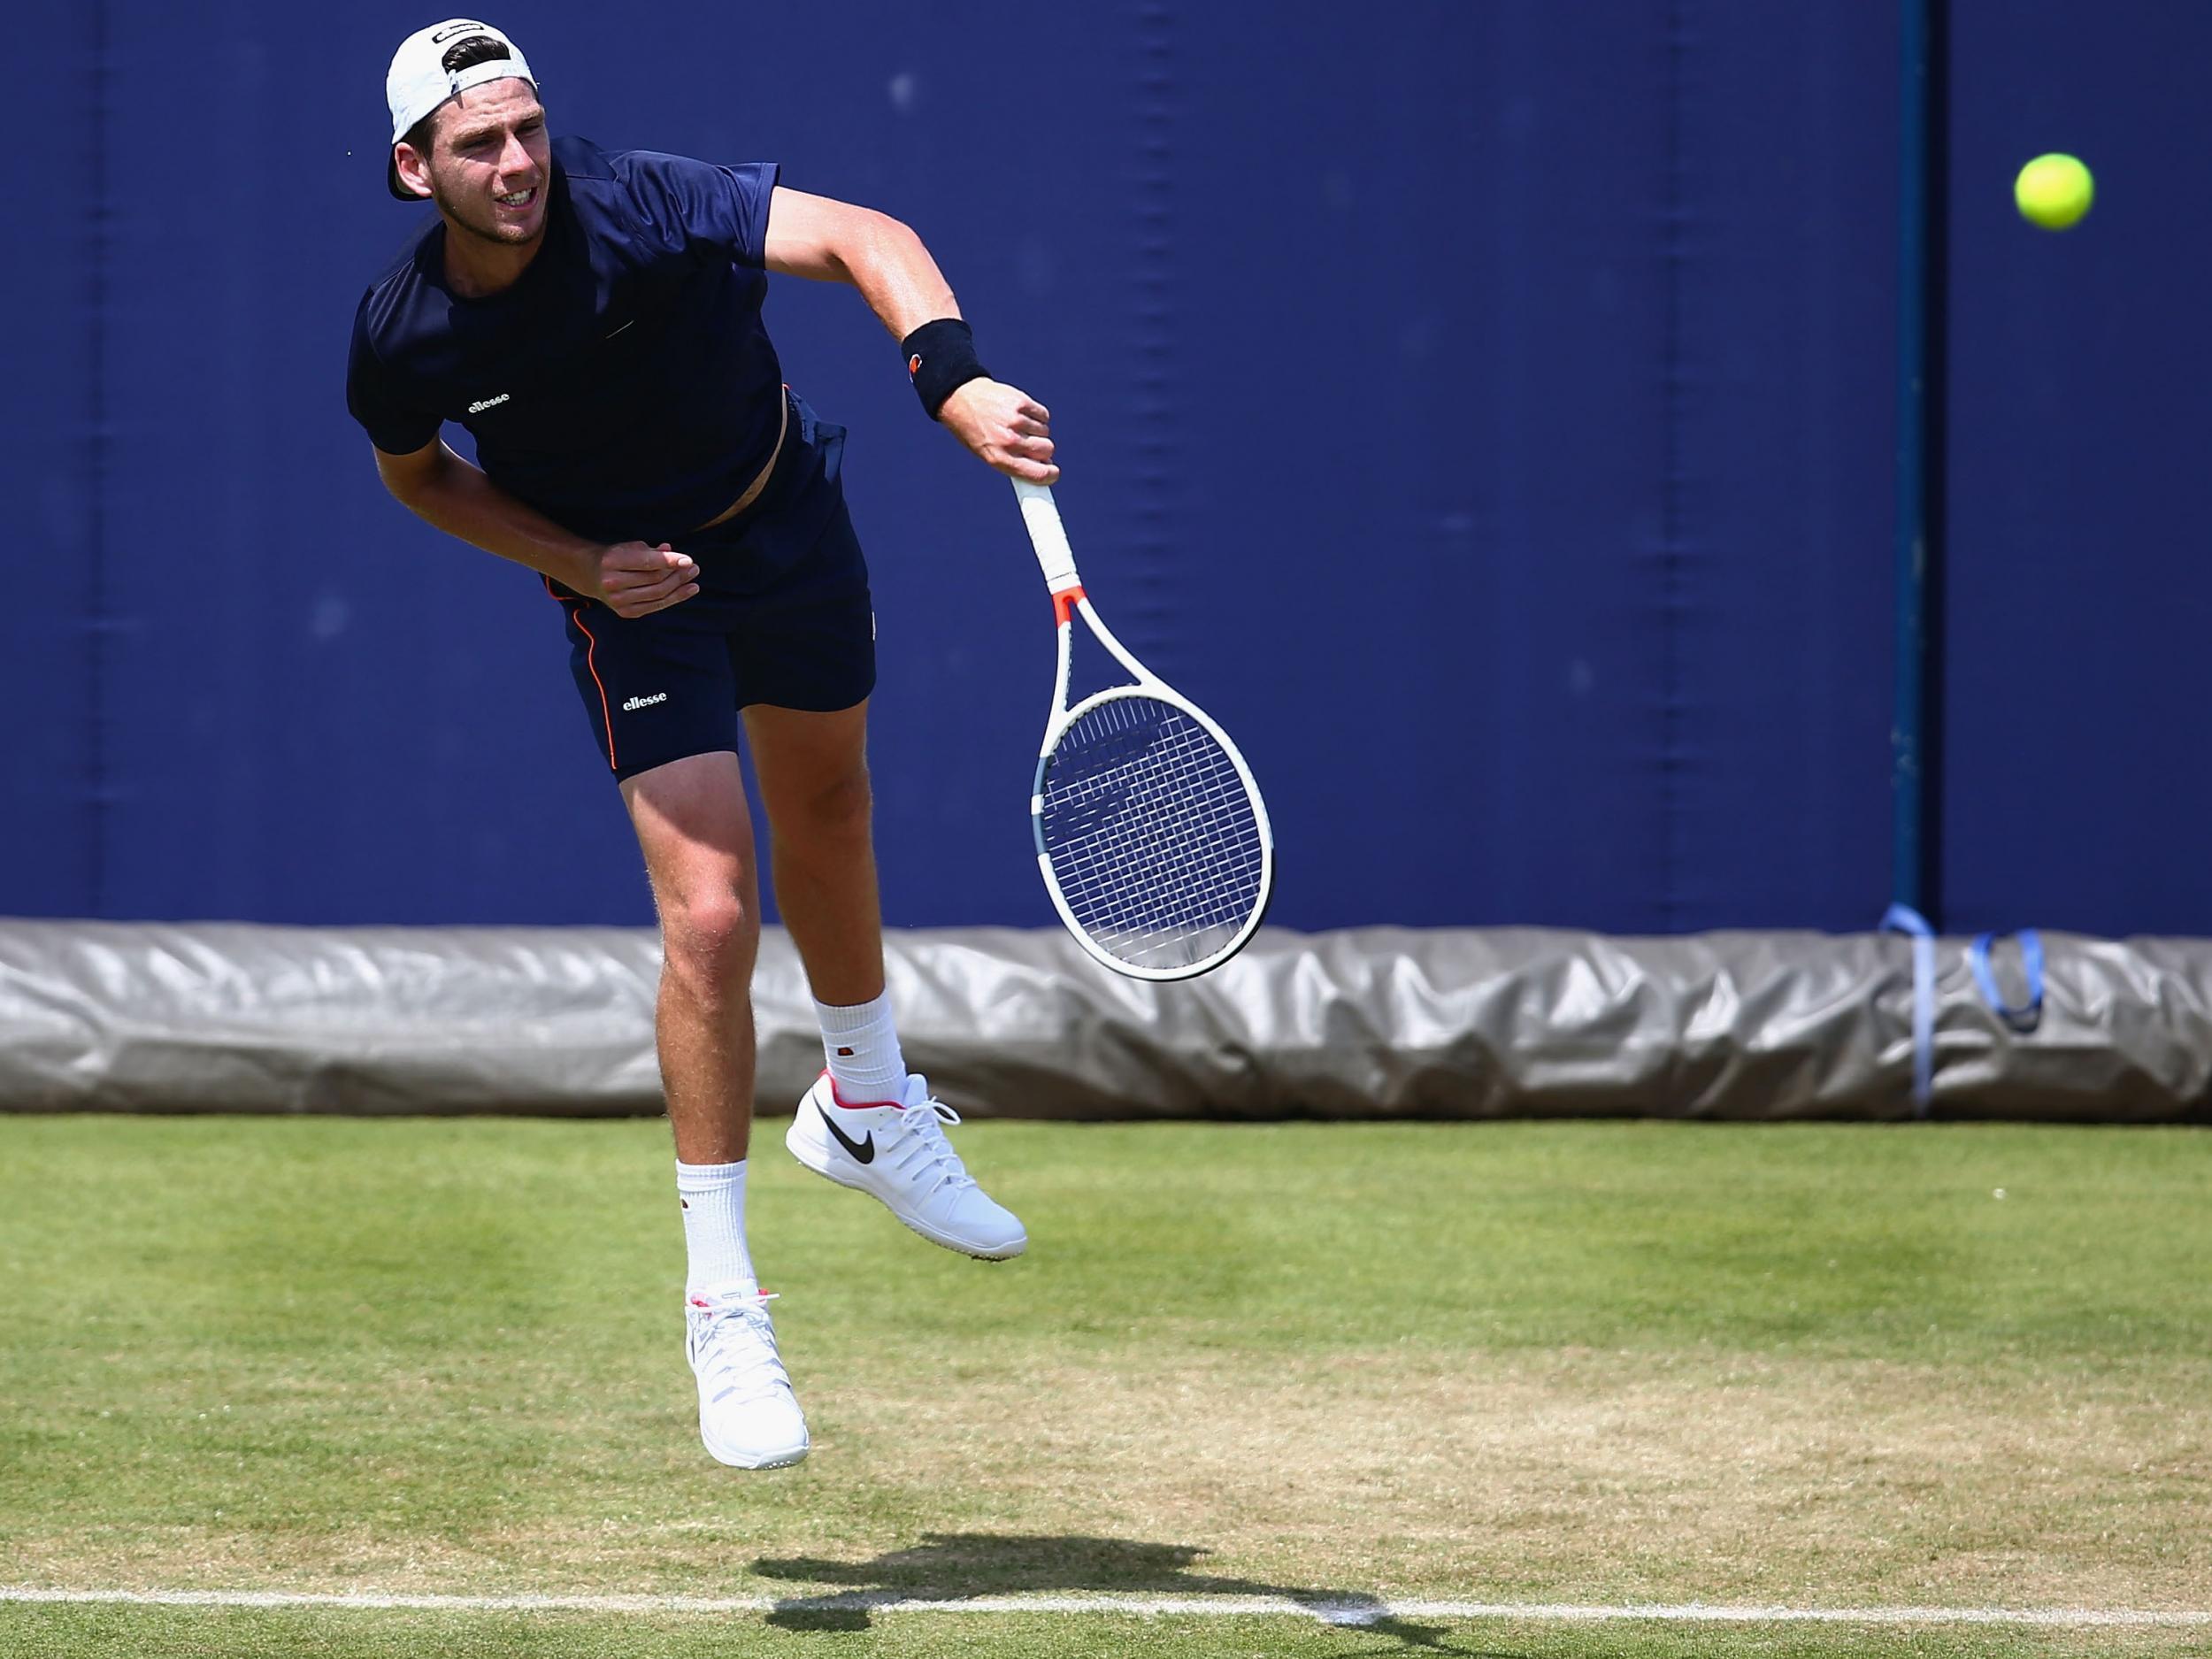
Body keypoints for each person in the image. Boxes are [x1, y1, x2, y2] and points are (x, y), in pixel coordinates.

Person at [345, 19, 1056, 1471]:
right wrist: (580, 562)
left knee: (834, 811)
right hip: (636, 593)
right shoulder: (403, 330)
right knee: (716, 913)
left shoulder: (644, 200)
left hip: (783, 518)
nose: (517, 162)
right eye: (478, 144)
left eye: (528, 128)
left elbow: (868, 236)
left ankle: (866, 1103)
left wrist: (954, 378)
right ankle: (725, 1309)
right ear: (415, 171)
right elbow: (421, 479)